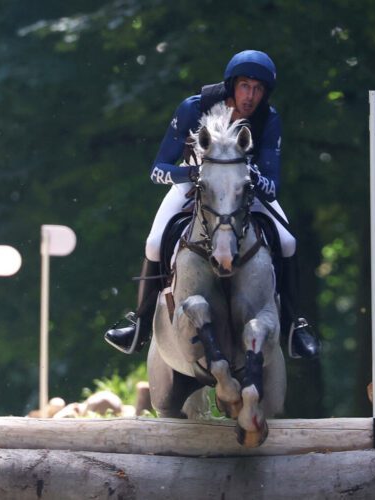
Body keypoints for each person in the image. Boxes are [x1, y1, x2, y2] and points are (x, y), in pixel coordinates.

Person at [104, 50, 320, 360]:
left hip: (241, 193)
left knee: (288, 241)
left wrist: (251, 176)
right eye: (245, 86)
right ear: (233, 84)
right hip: (193, 186)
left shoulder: (268, 120)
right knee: (154, 243)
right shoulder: (194, 108)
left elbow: (272, 188)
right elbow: (158, 169)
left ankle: (294, 325)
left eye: (258, 89)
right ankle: (139, 325)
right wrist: (193, 172)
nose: (251, 96)